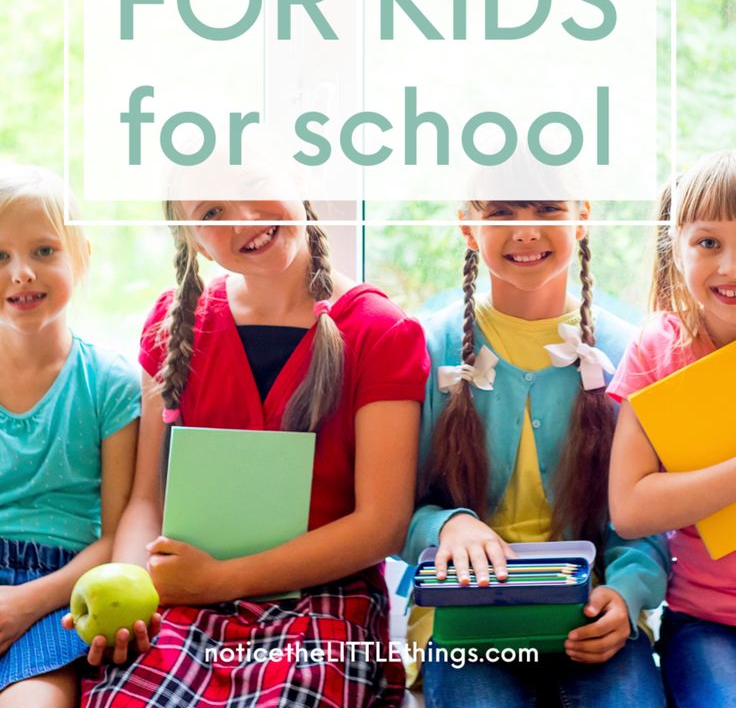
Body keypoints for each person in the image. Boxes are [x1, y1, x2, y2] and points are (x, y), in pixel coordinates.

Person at [79, 195, 429, 708]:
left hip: (323, 595)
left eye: (253, 187)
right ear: (190, 237)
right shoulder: (176, 321)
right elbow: (147, 501)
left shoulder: (379, 330)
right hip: (185, 591)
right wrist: (133, 588)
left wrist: (217, 581)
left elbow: (382, 523)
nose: (243, 220)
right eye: (211, 214)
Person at [402, 197, 669, 708]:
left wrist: (627, 594)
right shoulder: (426, 343)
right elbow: (392, 510)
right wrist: (446, 525)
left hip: (589, 614)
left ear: (583, 216)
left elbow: (642, 520)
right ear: (467, 226)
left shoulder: (628, 350)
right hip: (465, 623)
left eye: (547, 210)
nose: (526, 232)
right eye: (502, 213)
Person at [0, 165, 140, 706]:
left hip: (62, 589)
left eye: (43, 251)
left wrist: (22, 604)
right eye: (1, 256)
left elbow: (114, 535)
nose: (20, 274)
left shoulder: (110, 383)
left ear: (82, 258)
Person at [608, 150, 736, 708]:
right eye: (709, 243)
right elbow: (631, 508)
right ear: (676, 246)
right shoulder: (660, 347)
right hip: (708, 622)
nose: (729, 266)